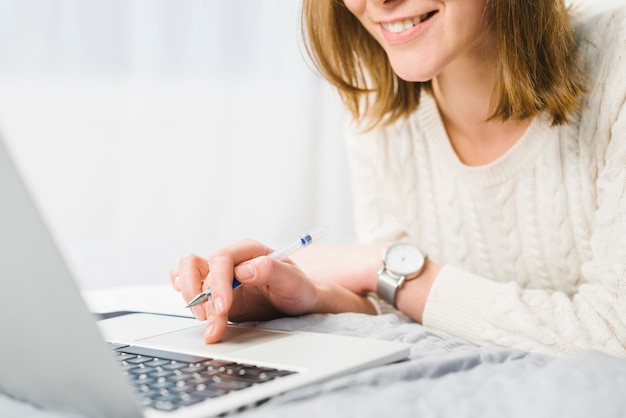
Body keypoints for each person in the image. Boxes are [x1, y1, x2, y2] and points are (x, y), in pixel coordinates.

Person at [171, 0, 626, 358]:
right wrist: (303, 296)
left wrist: (383, 266)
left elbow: (614, 334)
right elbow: (403, 306)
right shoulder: (379, 106)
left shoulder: (617, 59)